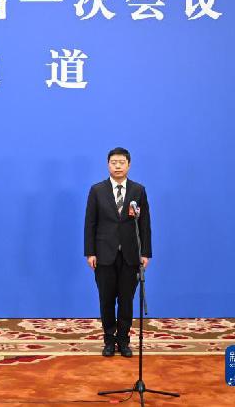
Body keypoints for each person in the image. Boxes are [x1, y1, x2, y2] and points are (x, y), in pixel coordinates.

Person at [84, 147, 151, 358]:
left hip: (130, 255)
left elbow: (145, 224)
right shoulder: (97, 190)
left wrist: (145, 253)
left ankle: (123, 341)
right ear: (108, 165)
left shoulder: (138, 190)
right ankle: (108, 340)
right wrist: (90, 252)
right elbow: (90, 224)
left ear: (129, 165)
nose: (118, 166)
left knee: (126, 300)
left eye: (122, 162)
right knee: (106, 300)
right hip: (104, 255)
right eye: (114, 162)